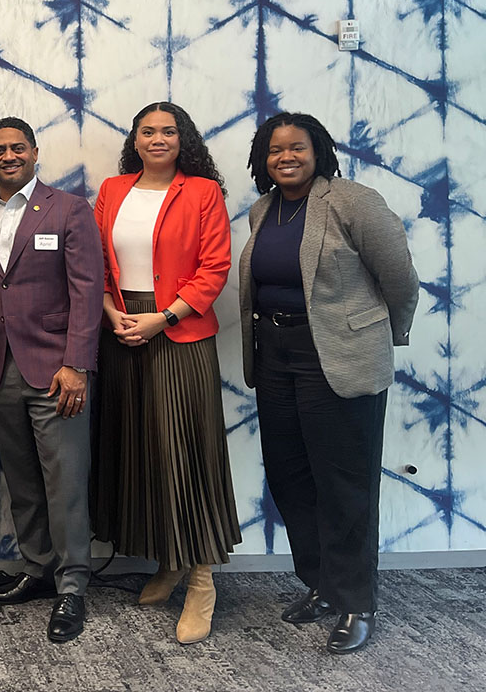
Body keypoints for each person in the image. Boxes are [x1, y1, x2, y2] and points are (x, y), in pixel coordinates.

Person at [240, 112, 418, 654]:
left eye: (297, 147)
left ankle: (356, 601)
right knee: (293, 477)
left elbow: (401, 278)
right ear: (262, 158)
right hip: (275, 353)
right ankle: (320, 584)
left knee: (346, 484)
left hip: (336, 356)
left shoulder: (352, 201)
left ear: (317, 150)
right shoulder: (262, 210)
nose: (285, 157)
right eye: (274, 150)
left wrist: (381, 335)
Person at [91, 101, 240, 645]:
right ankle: (168, 561)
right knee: (143, 452)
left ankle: (201, 579)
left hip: (177, 334)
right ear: (134, 138)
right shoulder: (112, 189)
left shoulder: (202, 192)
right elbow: (96, 263)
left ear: (184, 139)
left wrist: (164, 317)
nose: (157, 139)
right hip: (121, 329)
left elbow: (214, 268)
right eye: (148, 131)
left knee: (185, 451)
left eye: (168, 131)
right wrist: (111, 312)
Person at [0, 117, 104, 644]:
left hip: (56, 370)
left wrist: (78, 365)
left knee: (64, 481)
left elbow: (88, 291)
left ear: (35, 152)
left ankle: (73, 585)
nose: (9, 156)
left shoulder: (68, 210)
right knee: (21, 479)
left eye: (18, 147)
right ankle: (38, 568)